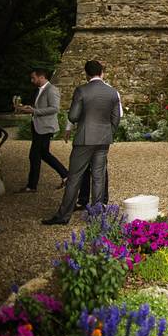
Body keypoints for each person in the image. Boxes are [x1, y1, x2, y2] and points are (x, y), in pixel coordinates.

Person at [43, 60, 121, 225]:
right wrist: (108, 132)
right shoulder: (113, 92)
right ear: (102, 73)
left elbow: (73, 116)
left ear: (86, 74)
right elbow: (116, 118)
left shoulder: (82, 91)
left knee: (74, 177)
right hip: (103, 140)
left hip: (84, 139)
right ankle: (97, 216)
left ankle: (63, 216)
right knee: (99, 177)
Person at [16, 68, 68, 192]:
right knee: (44, 154)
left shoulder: (51, 90)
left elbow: (54, 109)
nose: (32, 80)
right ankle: (66, 175)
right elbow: (42, 107)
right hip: (39, 127)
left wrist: (34, 111)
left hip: (45, 128)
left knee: (34, 155)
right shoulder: (40, 90)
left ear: (41, 77)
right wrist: (31, 107)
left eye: (33, 78)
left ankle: (31, 186)